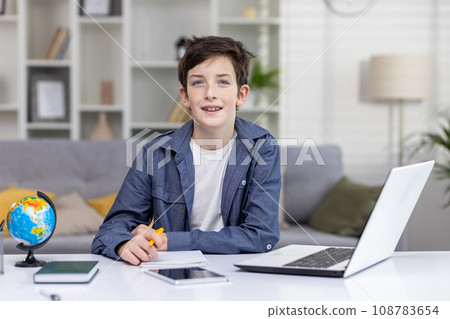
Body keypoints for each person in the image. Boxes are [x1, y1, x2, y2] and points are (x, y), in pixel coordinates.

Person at [91, 36, 281, 265]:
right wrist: (123, 243)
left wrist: (172, 241)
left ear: (241, 95)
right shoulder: (155, 152)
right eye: (198, 82)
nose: (210, 92)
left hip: (237, 274)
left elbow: (261, 235)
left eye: (222, 82)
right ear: (185, 97)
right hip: (171, 273)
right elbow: (110, 230)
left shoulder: (263, 147)